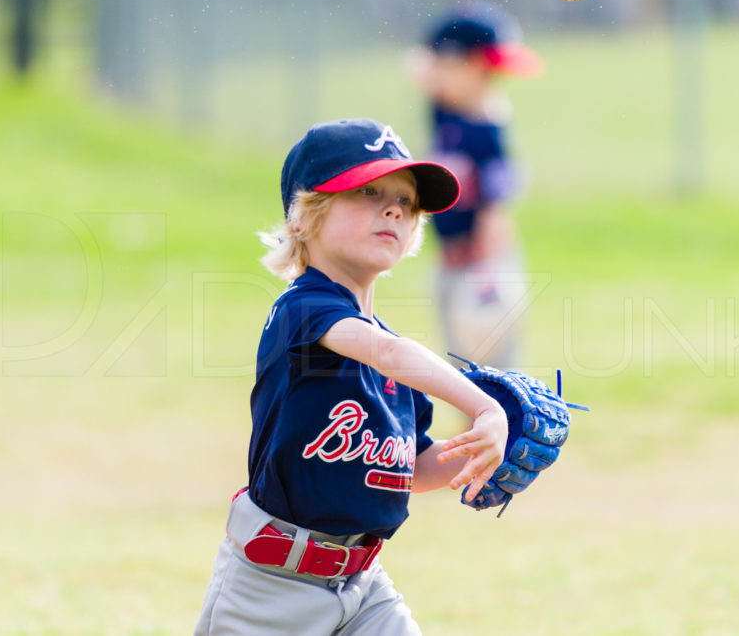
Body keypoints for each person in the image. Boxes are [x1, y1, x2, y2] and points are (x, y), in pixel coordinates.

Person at [194, 118, 508, 635]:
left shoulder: (394, 362)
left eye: (406, 202)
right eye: (367, 191)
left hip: (364, 588)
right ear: (302, 215)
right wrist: (485, 407)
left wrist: (474, 454)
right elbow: (385, 351)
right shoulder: (303, 310)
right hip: (272, 588)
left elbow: (406, 468)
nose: (393, 208)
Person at [408, 0, 542, 369]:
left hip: (484, 263)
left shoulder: (488, 126)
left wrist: (483, 270)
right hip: (452, 263)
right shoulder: (446, 111)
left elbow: (495, 208)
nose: (492, 83)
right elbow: (417, 66)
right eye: (484, 71)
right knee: (459, 370)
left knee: (493, 374)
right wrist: (441, 60)